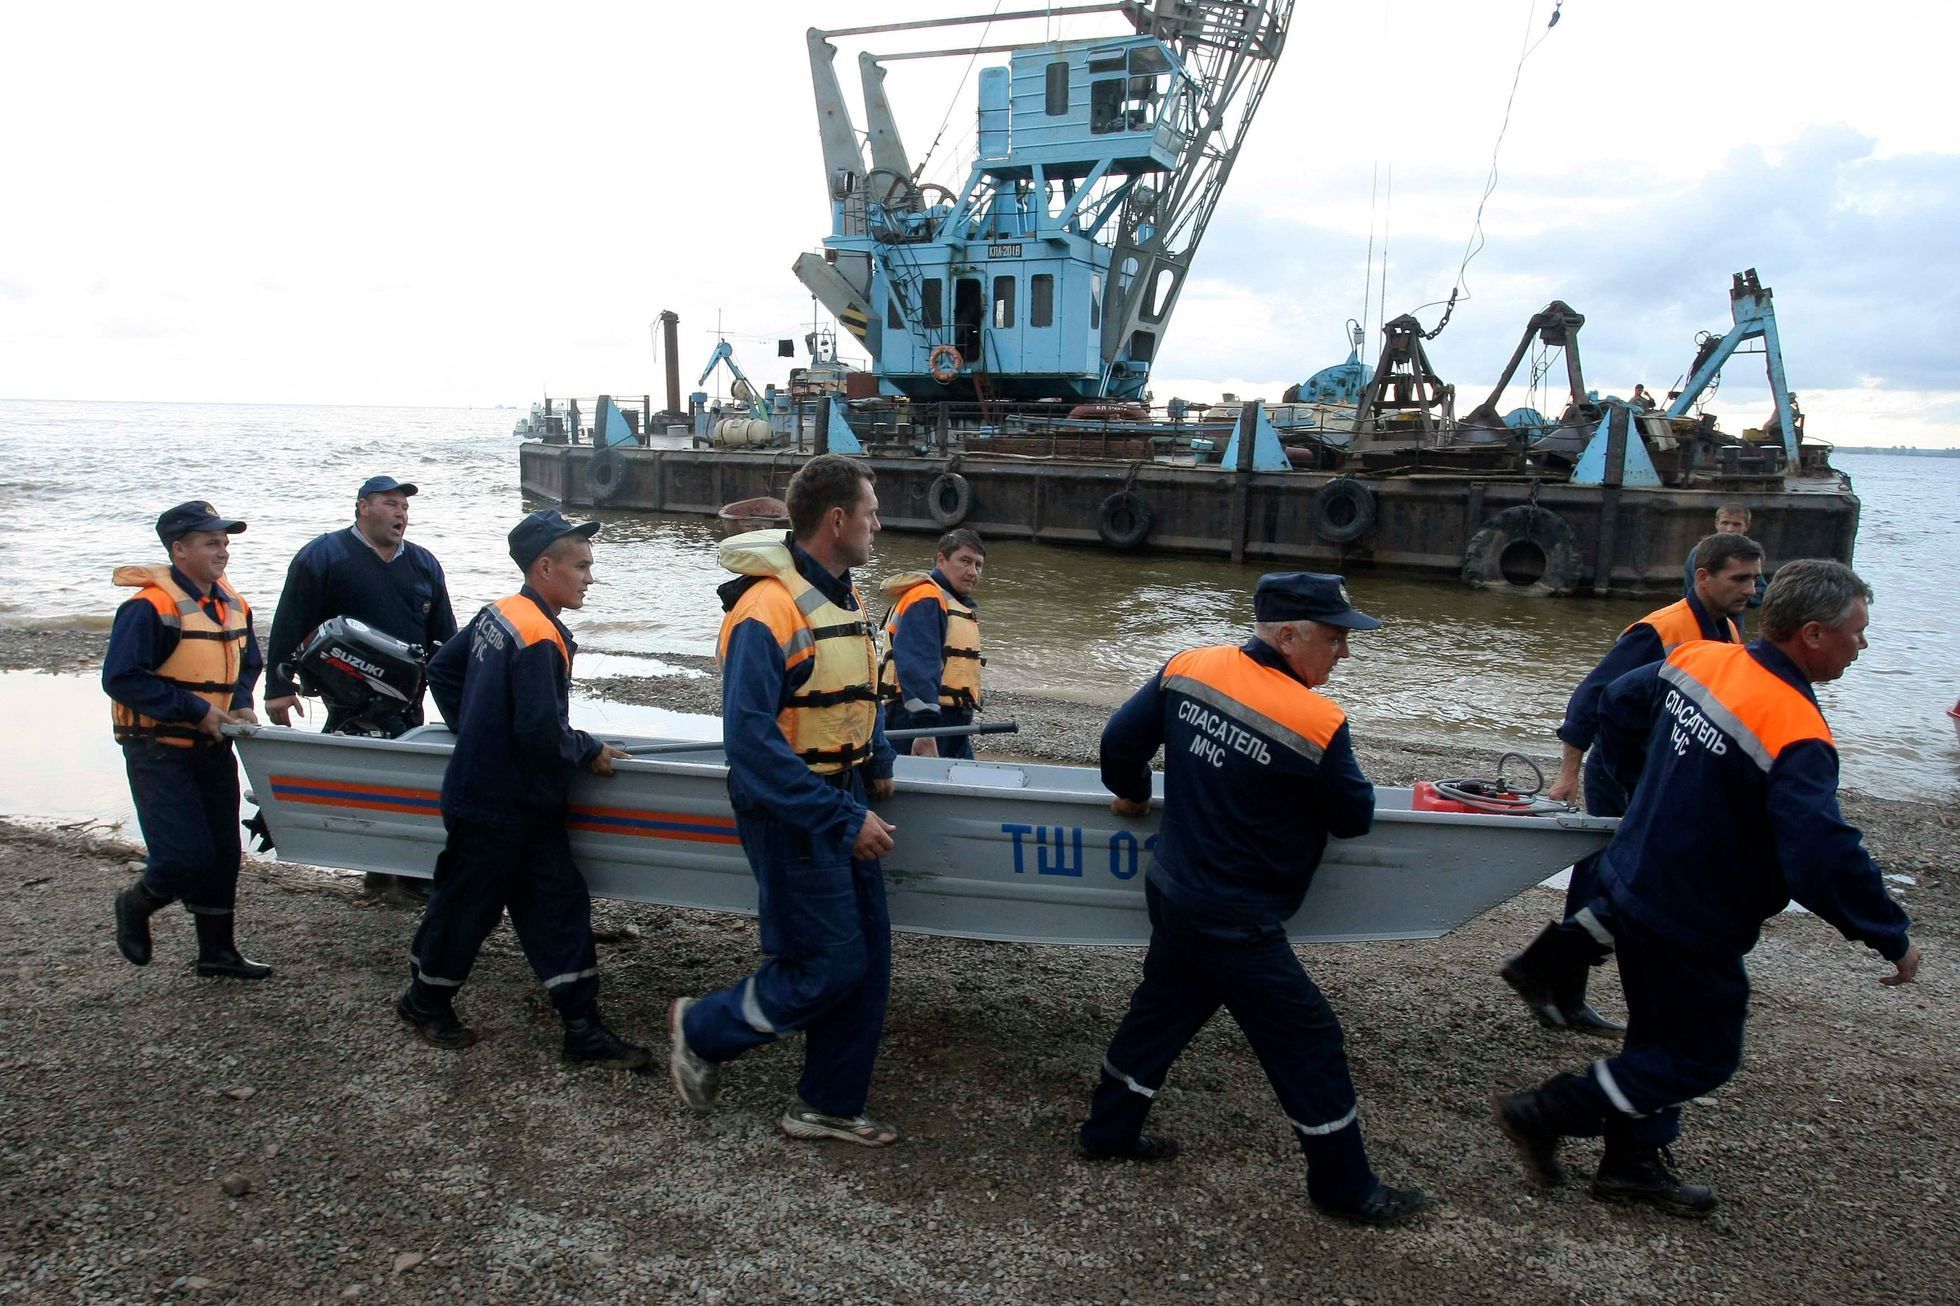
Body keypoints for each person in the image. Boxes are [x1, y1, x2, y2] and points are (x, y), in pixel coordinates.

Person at [1493, 560, 1917, 1216]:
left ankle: (1631, 1163)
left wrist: (1651, 788)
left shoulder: (1701, 659)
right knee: (1700, 1055)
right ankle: (1546, 1111)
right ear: (1811, 635)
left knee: (1658, 1037)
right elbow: (1821, 856)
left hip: (1637, 882)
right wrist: (1890, 934)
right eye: (1857, 633)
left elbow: (1620, 705)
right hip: (1691, 917)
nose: (1862, 646)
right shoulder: (1796, 731)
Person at [1079, 573, 1429, 1226]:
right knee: (1310, 1040)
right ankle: (1344, 1188)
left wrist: (1131, 792)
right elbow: (1354, 817)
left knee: (1161, 1013)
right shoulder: (1316, 721)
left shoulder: (1189, 667)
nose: (1343, 653)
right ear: (1289, 634)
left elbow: (1119, 743)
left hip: (1174, 889)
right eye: (1335, 637)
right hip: (1237, 917)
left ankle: (1107, 1132)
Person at [668, 454, 902, 1146]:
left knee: (869, 959)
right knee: (826, 964)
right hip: (793, 809)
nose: (877, 525)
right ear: (837, 521)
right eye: (870, 513)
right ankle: (703, 1030)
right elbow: (750, 744)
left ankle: (827, 1103)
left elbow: (862, 681)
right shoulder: (765, 610)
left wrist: (877, 756)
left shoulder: (845, 594)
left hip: (843, 792)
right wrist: (838, 816)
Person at [393, 510, 647, 1068]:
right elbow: (539, 731)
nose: (588, 577)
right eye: (580, 566)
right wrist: (587, 750)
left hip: (519, 801)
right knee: (466, 908)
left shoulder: (499, 613)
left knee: (558, 904)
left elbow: (443, 668)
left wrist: (477, 725)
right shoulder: (537, 634)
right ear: (544, 567)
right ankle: (423, 1001)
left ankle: (582, 1029)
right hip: (494, 806)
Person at [1503, 531, 1765, 1033]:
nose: (1751, 588)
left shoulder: (1728, 629)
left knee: (1615, 876)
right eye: (1740, 578)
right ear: (1703, 576)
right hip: (1618, 769)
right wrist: (1568, 773)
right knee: (1614, 875)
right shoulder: (1660, 631)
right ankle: (1560, 985)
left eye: (1755, 578)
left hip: (1658, 769)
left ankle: (1557, 983)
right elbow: (1592, 697)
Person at [105, 502, 269, 979]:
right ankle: (136, 903)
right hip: (159, 749)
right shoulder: (147, 608)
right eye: (211, 542)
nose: (223, 551)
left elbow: (248, 661)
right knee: (182, 857)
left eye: (225, 542)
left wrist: (239, 699)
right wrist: (196, 710)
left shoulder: (233, 603)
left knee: (221, 853)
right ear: (179, 550)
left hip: (215, 746)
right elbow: (122, 678)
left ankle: (216, 953)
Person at [264, 475, 456, 733]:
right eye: (390, 504)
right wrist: (278, 688)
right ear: (363, 507)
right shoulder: (324, 555)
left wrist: (460, 701)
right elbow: (290, 621)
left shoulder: (424, 563)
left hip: (409, 696)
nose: (400, 513)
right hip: (344, 694)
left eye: (405, 507)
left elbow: (446, 638)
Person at [878, 528, 986, 760]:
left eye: (978, 565)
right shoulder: (927, 598)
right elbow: (917, 664)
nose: (972, 572)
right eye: (965, 561)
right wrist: (925, 731)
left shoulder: (947, 600)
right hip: (918, 721)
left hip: (949, 720)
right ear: (941, 560)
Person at [1680, 503, 1767, 610]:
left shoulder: (1748, 553)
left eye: (1736, 524)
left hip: (1733, 620)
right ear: (1717, 524)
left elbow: (1762, 591)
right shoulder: (1702, 552)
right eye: (1725, 523)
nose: (1729, 529)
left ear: (1746, 526)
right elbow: (1699, 590)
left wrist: (1744, 597)